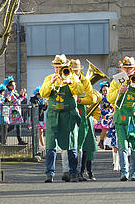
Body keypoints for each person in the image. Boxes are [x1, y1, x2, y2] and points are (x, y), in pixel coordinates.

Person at [40, 54, 84, 183]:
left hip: (68, 115)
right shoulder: (49, 78)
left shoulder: (73, 78)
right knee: (50, 144)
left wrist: (70, 83)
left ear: (66, 67)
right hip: (54, 115)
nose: (58, 70)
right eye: (56, 67)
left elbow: (80, 90)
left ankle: (73, 173)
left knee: (71, 144)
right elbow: (43, 93)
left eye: (61, 67)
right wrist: (51, 83)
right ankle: (49, 173)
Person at [107, 56, 135, 181]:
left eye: (130, 68)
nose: (128, 70)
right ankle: (124, 172)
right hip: (121, 117)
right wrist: (119, 91)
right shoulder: (116, 81)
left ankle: (133, 172)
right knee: (122, 146)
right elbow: (110, 98)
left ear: (134, 68)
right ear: (122, 68)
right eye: (125, 68)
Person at [61, 59, 95, 182]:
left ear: (80, 69)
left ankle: (77, 172)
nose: (75, 72)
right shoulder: (64, 77)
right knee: (65, 143)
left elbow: (91, 98)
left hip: (80, 113)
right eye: (72, 70)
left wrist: (79, 100)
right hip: (66, 112)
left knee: (78, 145)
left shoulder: (85, 81)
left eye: (77, 69)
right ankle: (66, 171)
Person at [3, 76, 28, 145]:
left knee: (14, 125)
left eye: (14, 85)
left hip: (17, 110)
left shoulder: (14, 92)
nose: (14, 86)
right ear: (9, 86)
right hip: (14, 110)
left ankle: (2, 136)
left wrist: (22, 95)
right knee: (17, 125)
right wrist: (22, 96)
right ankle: (19, 140)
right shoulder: (10, 93)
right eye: (13, 85)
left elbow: (18, 99)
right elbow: (16, 101)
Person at [95, 81, 113, 150]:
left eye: (106, 90)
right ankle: (102, 142)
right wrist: (104, 110)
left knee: (109, 130)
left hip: (110, 115)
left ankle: (106, 143)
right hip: (104, 115)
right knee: (105, 129)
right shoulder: (101, 98)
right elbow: (99, 107)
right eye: (103, 91)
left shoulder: (111, 96)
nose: (105, 92)